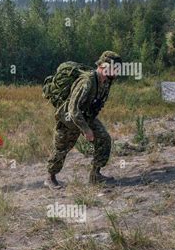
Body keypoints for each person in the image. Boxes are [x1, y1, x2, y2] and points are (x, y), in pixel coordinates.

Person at [45, 51, 123, 189]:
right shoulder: (87, 81)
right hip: (70, 118)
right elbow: (73, 109)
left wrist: (89, 125)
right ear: (105, 67)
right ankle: (50, 178)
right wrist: (86, 130)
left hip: (86, 116)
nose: (117, 73)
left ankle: (95, 175)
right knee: (62, 148)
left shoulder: (106, 81)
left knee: (104, 138)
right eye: (115, 69)